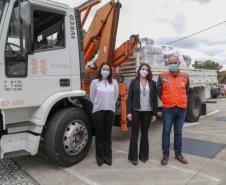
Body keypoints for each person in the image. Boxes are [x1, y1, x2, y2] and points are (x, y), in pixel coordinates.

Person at [157, 55, 190, 166]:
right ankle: (165, 155)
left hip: (181, 108)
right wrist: (167, 100)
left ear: (179, 63)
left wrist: (181, 100)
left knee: (178, 132)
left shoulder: (185, 76)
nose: (172, 65)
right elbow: (159, 91)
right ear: (168, 64)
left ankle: (178, 154)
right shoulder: (162, 76)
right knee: (166, 132)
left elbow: (186, 90)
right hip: (168, 109)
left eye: (174, 63)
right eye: (170, 63)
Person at [127, 63, 158, 166]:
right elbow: (129, 98)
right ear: (139, 70)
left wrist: (154, 113)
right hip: (136, 111)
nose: (144, 71)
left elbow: (154, 99)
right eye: (142, 69)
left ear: (148, 72)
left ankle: (143, 156)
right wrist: (129, 112)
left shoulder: (153, 83)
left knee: (145, 133)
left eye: (146, 69)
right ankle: (133, 157)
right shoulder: (133, 82)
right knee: (134, 133)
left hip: (148, 112)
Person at [90, 62, 119, 166]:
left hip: (110, 111)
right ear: (100, 70)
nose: (105, 71)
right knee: (99, 135)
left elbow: (115, 97)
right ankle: (100, 158)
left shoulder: (114, 83)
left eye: (107, 69)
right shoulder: (95, 82)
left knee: (107, 135)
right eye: (104, 69)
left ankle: (108, 157)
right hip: (98, 111)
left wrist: (109, 105)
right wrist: (99, 105)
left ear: (110, 71)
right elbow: (92, 97)